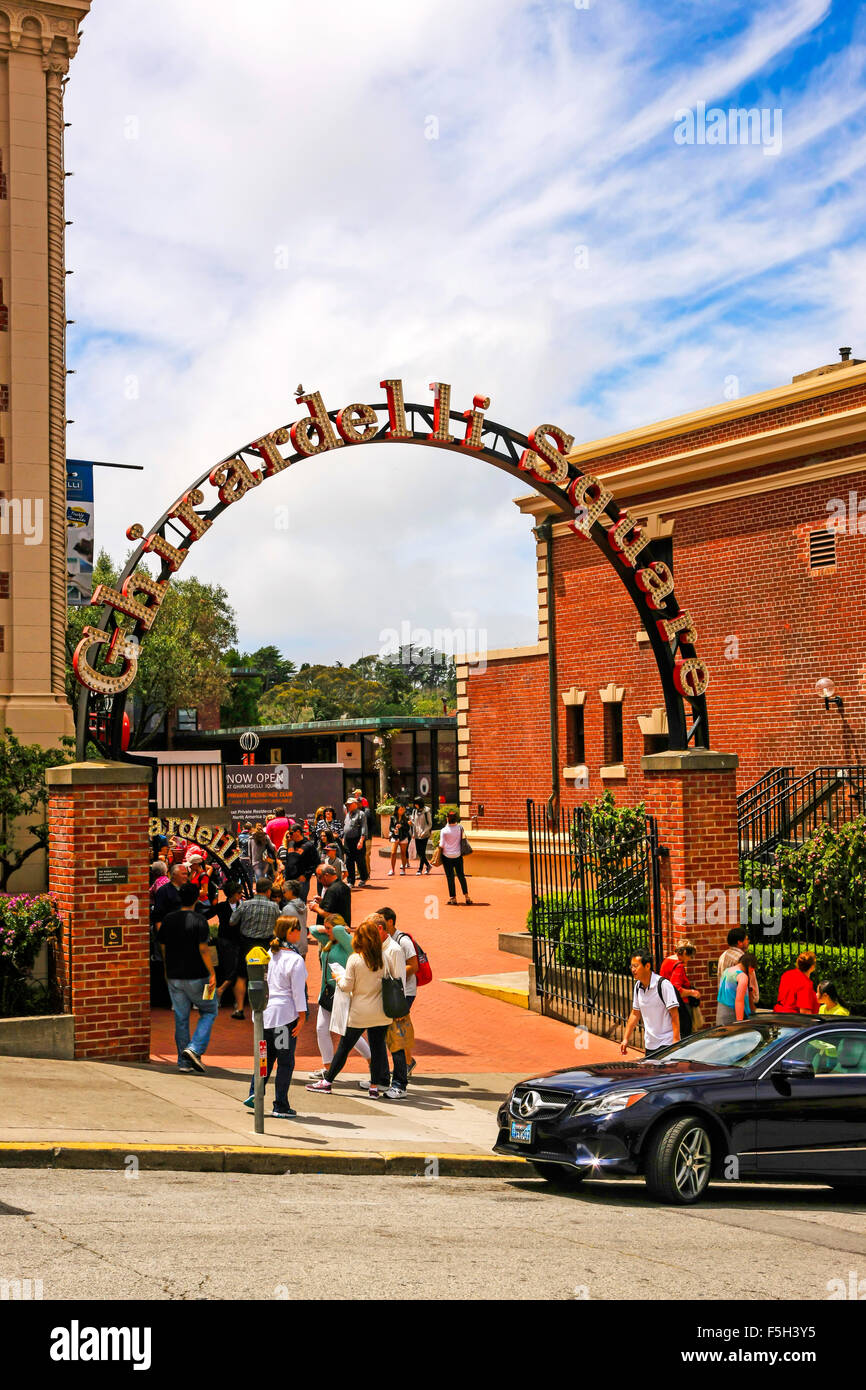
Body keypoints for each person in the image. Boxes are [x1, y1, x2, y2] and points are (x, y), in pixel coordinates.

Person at [305, 916, 391, 1098]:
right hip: (380, 1011)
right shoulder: (384, 957)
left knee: (344, 1047)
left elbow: (346, 986)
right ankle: (374, 1087)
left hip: (359, 1011)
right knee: (377, 1049)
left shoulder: (355, 959)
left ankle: (327, 1081)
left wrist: (338, 978)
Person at [243, 916, 307, 1118]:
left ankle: (255, 1093)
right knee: (285, 1061)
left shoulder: (269, 953)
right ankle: (281, 1104)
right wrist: (302, 1017)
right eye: (298, 929)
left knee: (265, 1058)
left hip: (264, 1015)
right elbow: (298, 992)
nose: (300, 933)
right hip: (284, 1017)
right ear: (290, 932)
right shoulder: (295, 960)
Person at [157, 882, 218, 1073]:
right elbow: (204, 949)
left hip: (174, 975)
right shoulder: (199, 920)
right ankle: (194, 1048)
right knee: (209, 1010)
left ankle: (183, 1062)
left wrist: (167, 970)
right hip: (198, 975)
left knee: (181, 1018)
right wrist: (213, 972)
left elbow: (164, 947)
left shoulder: (168, 919)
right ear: (196, 899)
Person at [307, 912, 371, 1078]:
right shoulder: (329, 942)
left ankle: (373, 1062)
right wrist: (326, 928)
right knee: (321, 1029)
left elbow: (340, 932)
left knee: (348, 1034)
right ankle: (327, 1068)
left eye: (330, 928)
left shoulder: (348, 944)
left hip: (342, 993)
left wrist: (339, 929)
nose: (327, 931)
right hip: (326, 993)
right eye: (327, 928)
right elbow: (313, 930)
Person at [378, 906, 418, 1098]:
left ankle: (402, 1076)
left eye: (381, 920)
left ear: (390, 921)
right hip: (391, 993)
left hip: (403, 993)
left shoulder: (402, 941)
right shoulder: (386, 941)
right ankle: (390, 1073)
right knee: (390, 1035)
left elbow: (414, 965)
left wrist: (395, 979)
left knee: (395, 1034)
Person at [621, 950, 680, 1058]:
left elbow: (674, 1014)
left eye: (636, 966)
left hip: (666, 1043)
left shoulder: (663, 985)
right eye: (632, 966)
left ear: (647, 966)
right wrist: (625, 1038)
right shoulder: (638, 987)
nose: (633, 970)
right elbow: (635, 1014)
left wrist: (676, 1041)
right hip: (650, 1044)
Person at [204, 881, 246, 1018]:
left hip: (239, 941)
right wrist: (206, 932)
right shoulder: (221, 906)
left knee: (236, 968)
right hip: (225, 941)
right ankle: (221, 996)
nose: (241, 895)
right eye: (239, 893)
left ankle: (224, 993)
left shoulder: (244, 906)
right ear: (232, 894)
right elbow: (204, 916)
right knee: (229, 968)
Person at [230, 877, 281, 969]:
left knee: (242, 976)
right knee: (265, 975)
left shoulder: (245, 904)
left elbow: (232, 922)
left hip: (246, 945)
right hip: (265, 946)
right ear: (268, 891)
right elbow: (281, 924)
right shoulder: (274, 907)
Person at [660, 940, 702, 1028]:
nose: (690, 959)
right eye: (690, 956)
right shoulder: (679, 966)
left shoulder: (667, 960)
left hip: (667, 1004)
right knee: (685, 1033)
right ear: (685, 952)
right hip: (681, 1006)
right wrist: (693, 992)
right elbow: (676, 990)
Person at [717, 926, 759, 1014]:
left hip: (725, 1003)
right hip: (740, 1005)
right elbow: (749, 985)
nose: (748, 942)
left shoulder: (723, 955)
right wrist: (752, 1002)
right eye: (746, 939)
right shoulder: (742, 959)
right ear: (739, 942)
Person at [439, 810, 472, 905]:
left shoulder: (444, 831)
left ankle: (453, 898)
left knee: (450, 878)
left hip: (447, 856)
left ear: (447, 818)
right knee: (461, 876)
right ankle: (467, 897)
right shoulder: (460, 828)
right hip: (458, 855)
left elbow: (441, 844)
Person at [278, 824, 319, 902]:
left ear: (298, 832)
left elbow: (315, 863)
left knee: (300, 904)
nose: (289, 835)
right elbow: (288, 860)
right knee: (287, 903)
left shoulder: (309, 845)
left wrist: (306, 875)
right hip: (289, 880)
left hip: (301, 881)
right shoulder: (290, 844)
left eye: (291, 833)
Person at [308, 863, 352, 928]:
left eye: (319, 877)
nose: (319, 881)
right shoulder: (343, 886)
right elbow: (337, 907)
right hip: (343, 928)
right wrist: (322, 902)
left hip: (332, 932)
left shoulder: (332, 890)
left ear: (326, 875)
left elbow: (329, 915)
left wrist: (316, 908)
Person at [716, 951, 754, 1024]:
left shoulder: (726, 971)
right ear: (750, 967)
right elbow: (739, 1001)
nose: (752, 972)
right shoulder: (742, 976)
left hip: (720, 1013)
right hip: (733, 1015)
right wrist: (740, 1022)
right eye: (753, 969)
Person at [341, 797, 368, 887]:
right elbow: (346, 827)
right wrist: (343, 838)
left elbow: (364, 827)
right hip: (348, 841)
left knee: (360, 860)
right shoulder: (347, 814)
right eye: (347, 805)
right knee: (349, 861)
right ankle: (350, 881)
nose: (348, 806)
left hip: (357, 840)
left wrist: (361, 840)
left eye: (349, 804)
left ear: (355, 804)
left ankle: (363, 878)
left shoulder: (361, 814)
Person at [281, 879, 308, 957]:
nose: (283, 894)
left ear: (290, 891)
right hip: (303, 944)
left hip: (291, 947)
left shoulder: (287, 909)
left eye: (284, 891)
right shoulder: (304, 906)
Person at [387, 804, 412, 876]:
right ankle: (392, 869)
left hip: (403, 837)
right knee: (393, 853)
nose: (402, 811)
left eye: (403, 809)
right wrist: (394, 829)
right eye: (400, 809)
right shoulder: (393, 817)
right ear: (397, 810)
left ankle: (403, 869)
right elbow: (390, 827)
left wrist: (402, 826)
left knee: (403, 853)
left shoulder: (406, 818)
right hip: (395, 837)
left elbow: (407, 828)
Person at [411, 797, 433, 875]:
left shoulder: (427, 811)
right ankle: (428, 865)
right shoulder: (414, 811)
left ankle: (420, 869)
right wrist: (413, 833)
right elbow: (414, 823)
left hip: (425, 834)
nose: (415, 805)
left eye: (416, 804)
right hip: (417, 834)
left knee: (422, 852)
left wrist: (424, 832)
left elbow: (430, 824)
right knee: (419, 852)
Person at [237, 821, 255, 893]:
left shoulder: (240, 836)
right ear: (250, 829)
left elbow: (239, 846)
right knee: (250, 873)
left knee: (242, 873)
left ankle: (239, 889)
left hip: (242, 857)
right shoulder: (252, 836)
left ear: (243, 828)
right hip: (250, 858)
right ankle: (250, 888)